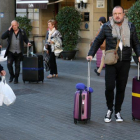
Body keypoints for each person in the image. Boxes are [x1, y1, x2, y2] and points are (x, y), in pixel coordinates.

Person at [87, 6, 140, 122]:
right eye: (115, 13)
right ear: (113, 14)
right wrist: (91, 53)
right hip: (111, 61)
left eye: (119, 13)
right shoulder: (107, 26)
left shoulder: (130, 26)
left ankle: (118, 111)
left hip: (125, 61)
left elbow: (136, 43)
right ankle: (109, 109)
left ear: (123, 14)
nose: (117, 15)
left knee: (121, 88)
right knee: (109, 87)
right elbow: (97, 41)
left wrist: (139, 55)